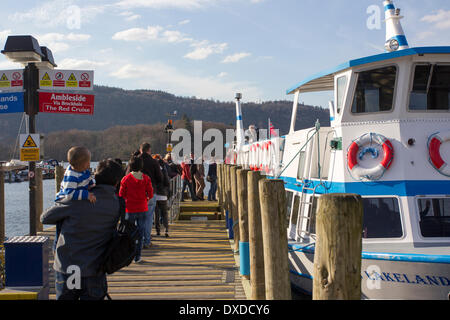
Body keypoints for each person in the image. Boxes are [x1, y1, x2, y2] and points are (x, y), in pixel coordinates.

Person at [41, 159, 124, 300]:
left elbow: (45, 218)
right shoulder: (117, 204)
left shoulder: (78, 198)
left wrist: (65, 199)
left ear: (95, 176)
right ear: (117, 182)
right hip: (94, 269)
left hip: (68, 267)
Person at [53, 146, 96, 252]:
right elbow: (69, 193)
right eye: (88, 162)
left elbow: (89, 181)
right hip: (63, 205)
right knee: (61, 230)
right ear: (81, 164)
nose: (89, 164)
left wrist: (94, 186)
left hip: (74, 205)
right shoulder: (71, 175)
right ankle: (57, 250)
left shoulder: (84, 171)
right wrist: (87, 195)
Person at [119, 155, 154, 263]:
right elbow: (151, 193)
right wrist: (146, 199)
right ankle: (137, 256)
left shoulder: (126, 179)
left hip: (130, 209)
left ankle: (128, 255)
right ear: (141, 166)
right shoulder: (146, 178)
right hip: (142, 208)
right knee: (140, 232)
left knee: (129, 233)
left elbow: (121, 194)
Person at [139, 142, 163, 248]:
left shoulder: (135, 160)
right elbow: (160, 177)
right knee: (148, 218)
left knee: (138, 217)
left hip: (137, 191)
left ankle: (138, 240)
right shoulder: (153, 162)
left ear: (141, 150)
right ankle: (147, 241)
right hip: (150, 191)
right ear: (149, 150)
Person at [153, 155, 170, 237]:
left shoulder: (155, 172)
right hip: (163, 195)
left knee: (156, 214)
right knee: (164, 214)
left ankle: (158, 230)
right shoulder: (164, 171)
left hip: (155, 194)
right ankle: (166, 229)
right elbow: (167, 182)